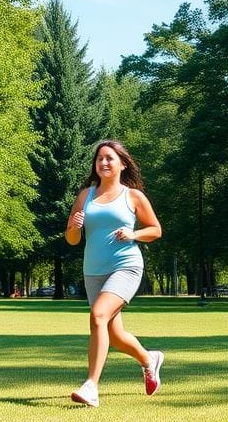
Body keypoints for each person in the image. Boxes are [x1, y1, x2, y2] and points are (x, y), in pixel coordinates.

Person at [64, 140, 164, 408]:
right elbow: (72, 239)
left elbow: (155, 229)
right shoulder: (86, 195)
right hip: (93, 270)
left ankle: (91, 386)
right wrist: (74, 227)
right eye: (99, 159)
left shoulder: (132, 196)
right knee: (114, 334)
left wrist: (134, 233)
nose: (104, 163)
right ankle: (149, 359)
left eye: (110, 158)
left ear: (123, 164)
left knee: (97, 315)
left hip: (126, 265)